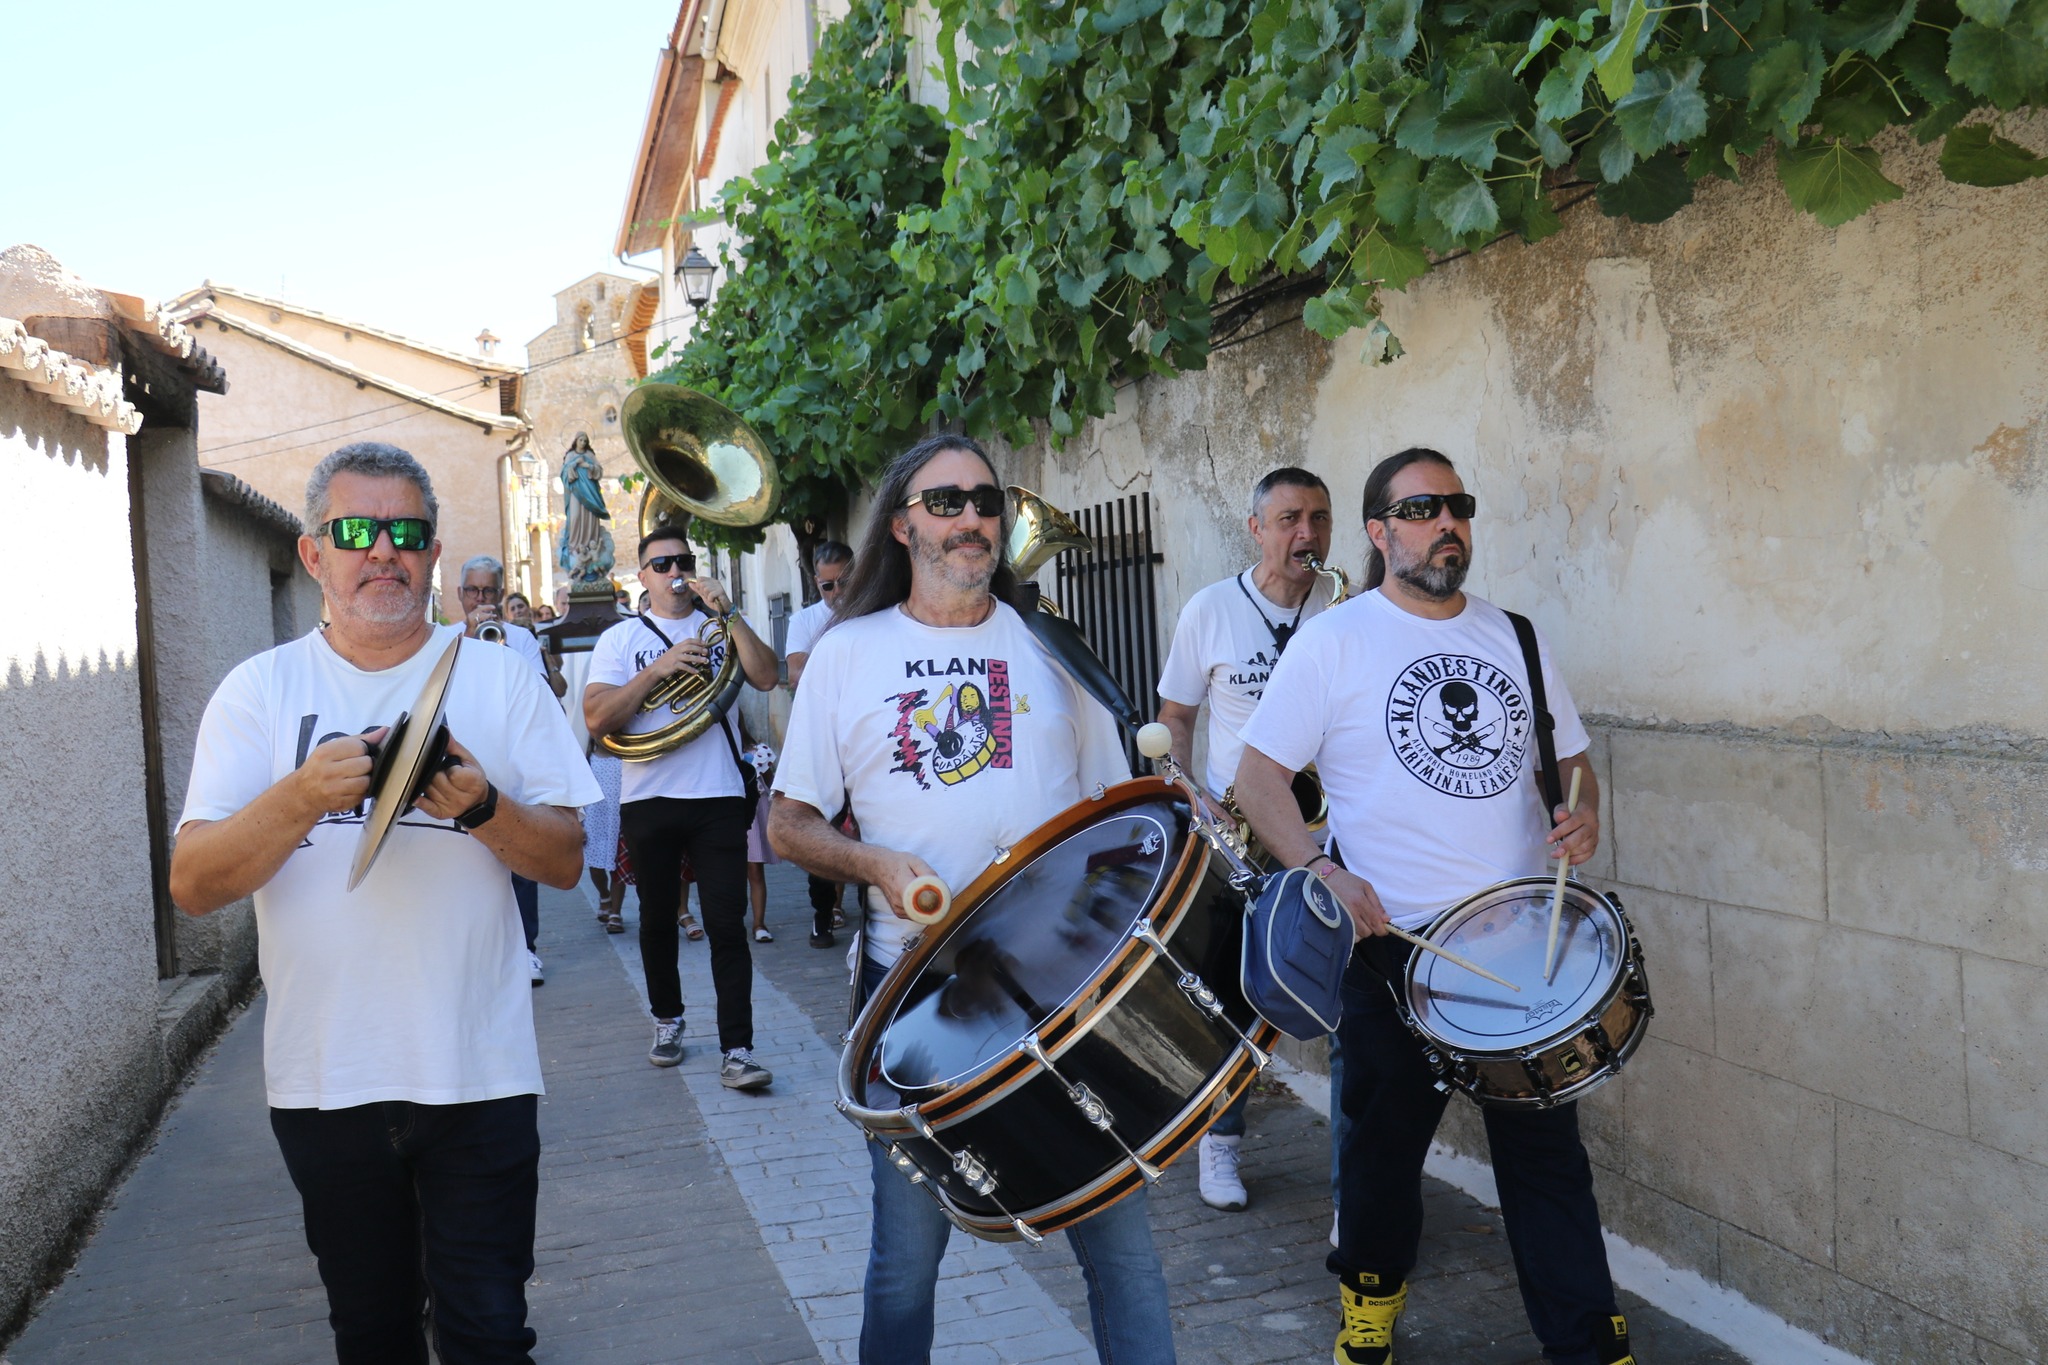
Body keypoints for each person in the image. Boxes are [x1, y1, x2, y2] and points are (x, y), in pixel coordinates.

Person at [168, 441, 598, 1365]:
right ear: (313, 553)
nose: (383, 552)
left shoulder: (503, 678)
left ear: (434, 554)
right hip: (327, 1081)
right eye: (355, 531)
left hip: (479, 1073)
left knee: (489, 1334)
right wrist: (296, 798)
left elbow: (566, 860)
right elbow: (195, 883)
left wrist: (483, 808)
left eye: (406, 532)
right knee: (372, 1336)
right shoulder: (259, 691)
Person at [769, 434, 1176, 1365]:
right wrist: (873, 863)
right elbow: (789, 823)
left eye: (984, 500)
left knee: (1120, 1239)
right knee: (908, 1255)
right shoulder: (847, 652)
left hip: (1062, 984)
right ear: (903, 523)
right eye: (944, 502)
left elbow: (1113, 818)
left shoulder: (1051, 642)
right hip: (912, 990)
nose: (970, 519)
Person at [1233, 448, 1633, 1365]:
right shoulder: (1335, 640)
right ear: (1378, 533)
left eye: (1456, 505)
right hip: (1393, 951)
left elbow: (1573, 766)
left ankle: (1587, 1342)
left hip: (1518, 953)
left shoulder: (1517, 637)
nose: (1445, 522)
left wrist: (1586, 816)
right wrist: (1322, 871)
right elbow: (1256, 781)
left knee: (1547, 1161)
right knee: (1380, 1157)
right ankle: (1370, 1302)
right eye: (1420, 509)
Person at [1155, 465, 1340, 1214]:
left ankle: (1351, 1184)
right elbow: (1175, 716)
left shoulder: (1344, 605)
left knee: (1344, 1004)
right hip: (1242, 838)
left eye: (1319, 518)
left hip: (1333, 833)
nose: (1307, 534)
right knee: (1228, 999)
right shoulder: (1210, 610)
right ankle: (1220, 1145)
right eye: (1291, 517)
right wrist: (1195, 794)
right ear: (1256, 528)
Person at [583, 531, 780, 1087]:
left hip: (717, 794)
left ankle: (737, 1050)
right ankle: (668, 1022)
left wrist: (731, 611)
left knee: (725, 924)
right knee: (656, 921)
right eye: (661, 562)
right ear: (642, 577)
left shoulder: (719, 624)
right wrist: (660, 669)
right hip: (648, 797)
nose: (675, 570)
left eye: (683, 561)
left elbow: (766, 676)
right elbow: (598, 719)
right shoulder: (620, 639)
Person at [455, 556, 567, 983]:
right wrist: (468, 640)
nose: (480, 599)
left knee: (519, 858)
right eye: (473, 592)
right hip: (464, 761)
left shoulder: (518, 638)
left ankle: (526, 949)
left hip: (509, 762)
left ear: (501, 595)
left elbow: (539, 696)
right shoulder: (448, 638)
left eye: (488, 592)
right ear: (461, 594)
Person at [782, 539, 854, 948]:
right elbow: (795, 673)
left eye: (845, 581)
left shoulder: (872, 610)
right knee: (821, 828)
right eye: (828, 586)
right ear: (816, 583)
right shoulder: (806, 620)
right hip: (823, 740)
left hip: (863, 738)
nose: (837, 593)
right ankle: (822, 917)